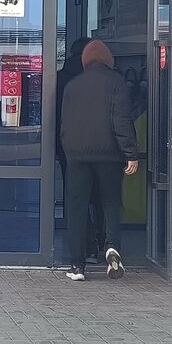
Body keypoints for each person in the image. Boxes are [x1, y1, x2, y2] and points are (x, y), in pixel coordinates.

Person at [59, 39, 139, 281]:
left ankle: (77, 266)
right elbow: (121, 121)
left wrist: (68, 150)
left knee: (76, 207)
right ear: (108, 60)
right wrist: (130, 153)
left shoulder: (73, 85)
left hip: (77, 156)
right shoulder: (116, 82)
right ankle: (112, 247)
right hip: (109, 155)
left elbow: (65, 124)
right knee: (110, 202)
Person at [56, 38, 105, 263]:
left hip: (69, 147)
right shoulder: (103, 79)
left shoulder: (59, 79)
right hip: (101, 147)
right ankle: (106, 242)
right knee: (103, 196)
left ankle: (86, 247)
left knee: (77, 197)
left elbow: (56, 115)